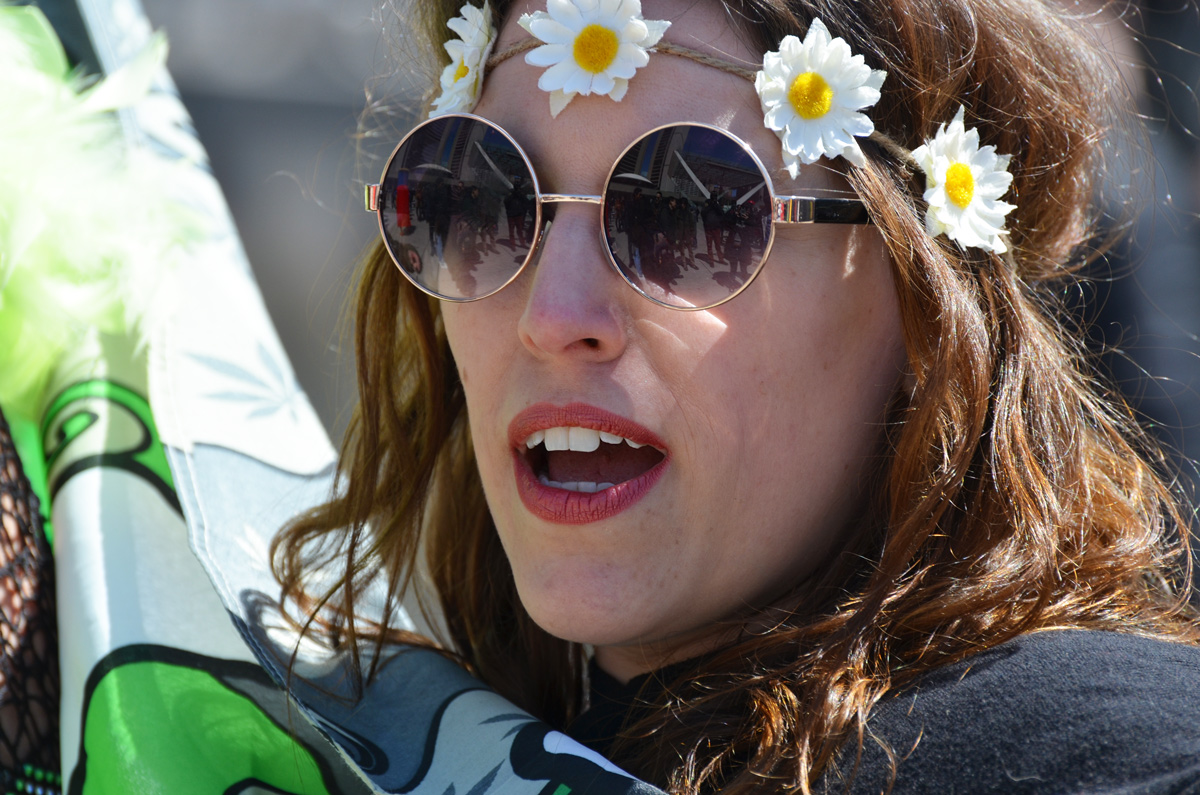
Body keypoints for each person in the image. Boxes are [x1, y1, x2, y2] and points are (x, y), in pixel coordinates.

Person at [275, 0, 1200, 792]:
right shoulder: (332, 738)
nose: (552, 316)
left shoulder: (1115, 759)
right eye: (485, 197)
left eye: (688, 214)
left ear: (932, 306)